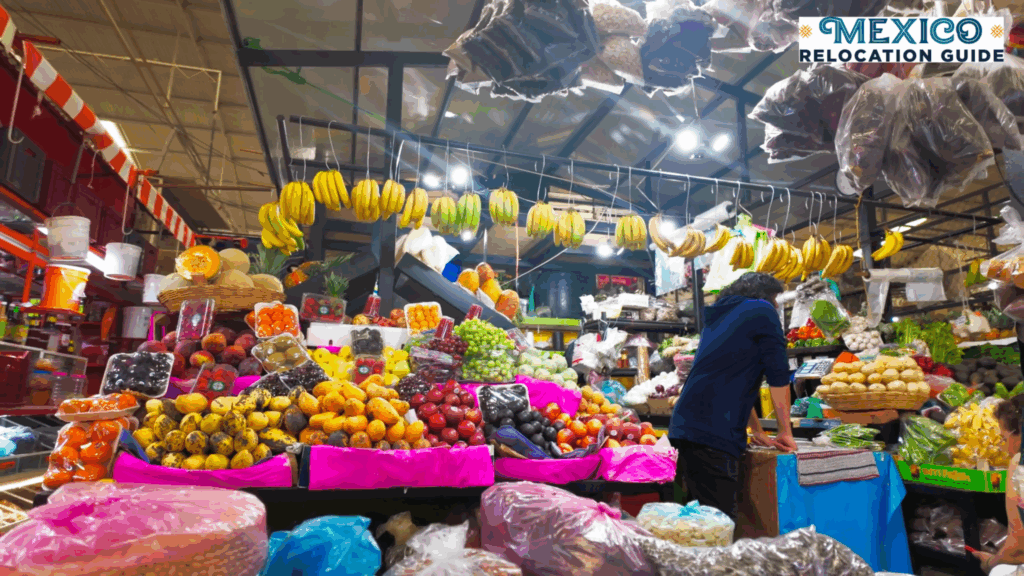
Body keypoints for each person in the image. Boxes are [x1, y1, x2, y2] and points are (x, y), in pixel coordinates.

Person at [669, 272, 797, 520]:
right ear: (766, 295)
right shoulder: (762, 310)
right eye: (776, 299)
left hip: (686, 427)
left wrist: (758, 431)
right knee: (717, 525)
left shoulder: (720, 316)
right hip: (713, 433)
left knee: (700, 521)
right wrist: (785, 432)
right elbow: (778, 375)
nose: (778, 305)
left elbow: (733, 379)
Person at [972, 395, 1024, 574]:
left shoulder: (1019, 466)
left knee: (1000, 571)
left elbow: (1017, 550)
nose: (1003, 447)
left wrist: (990, 562)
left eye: (1003, 438)